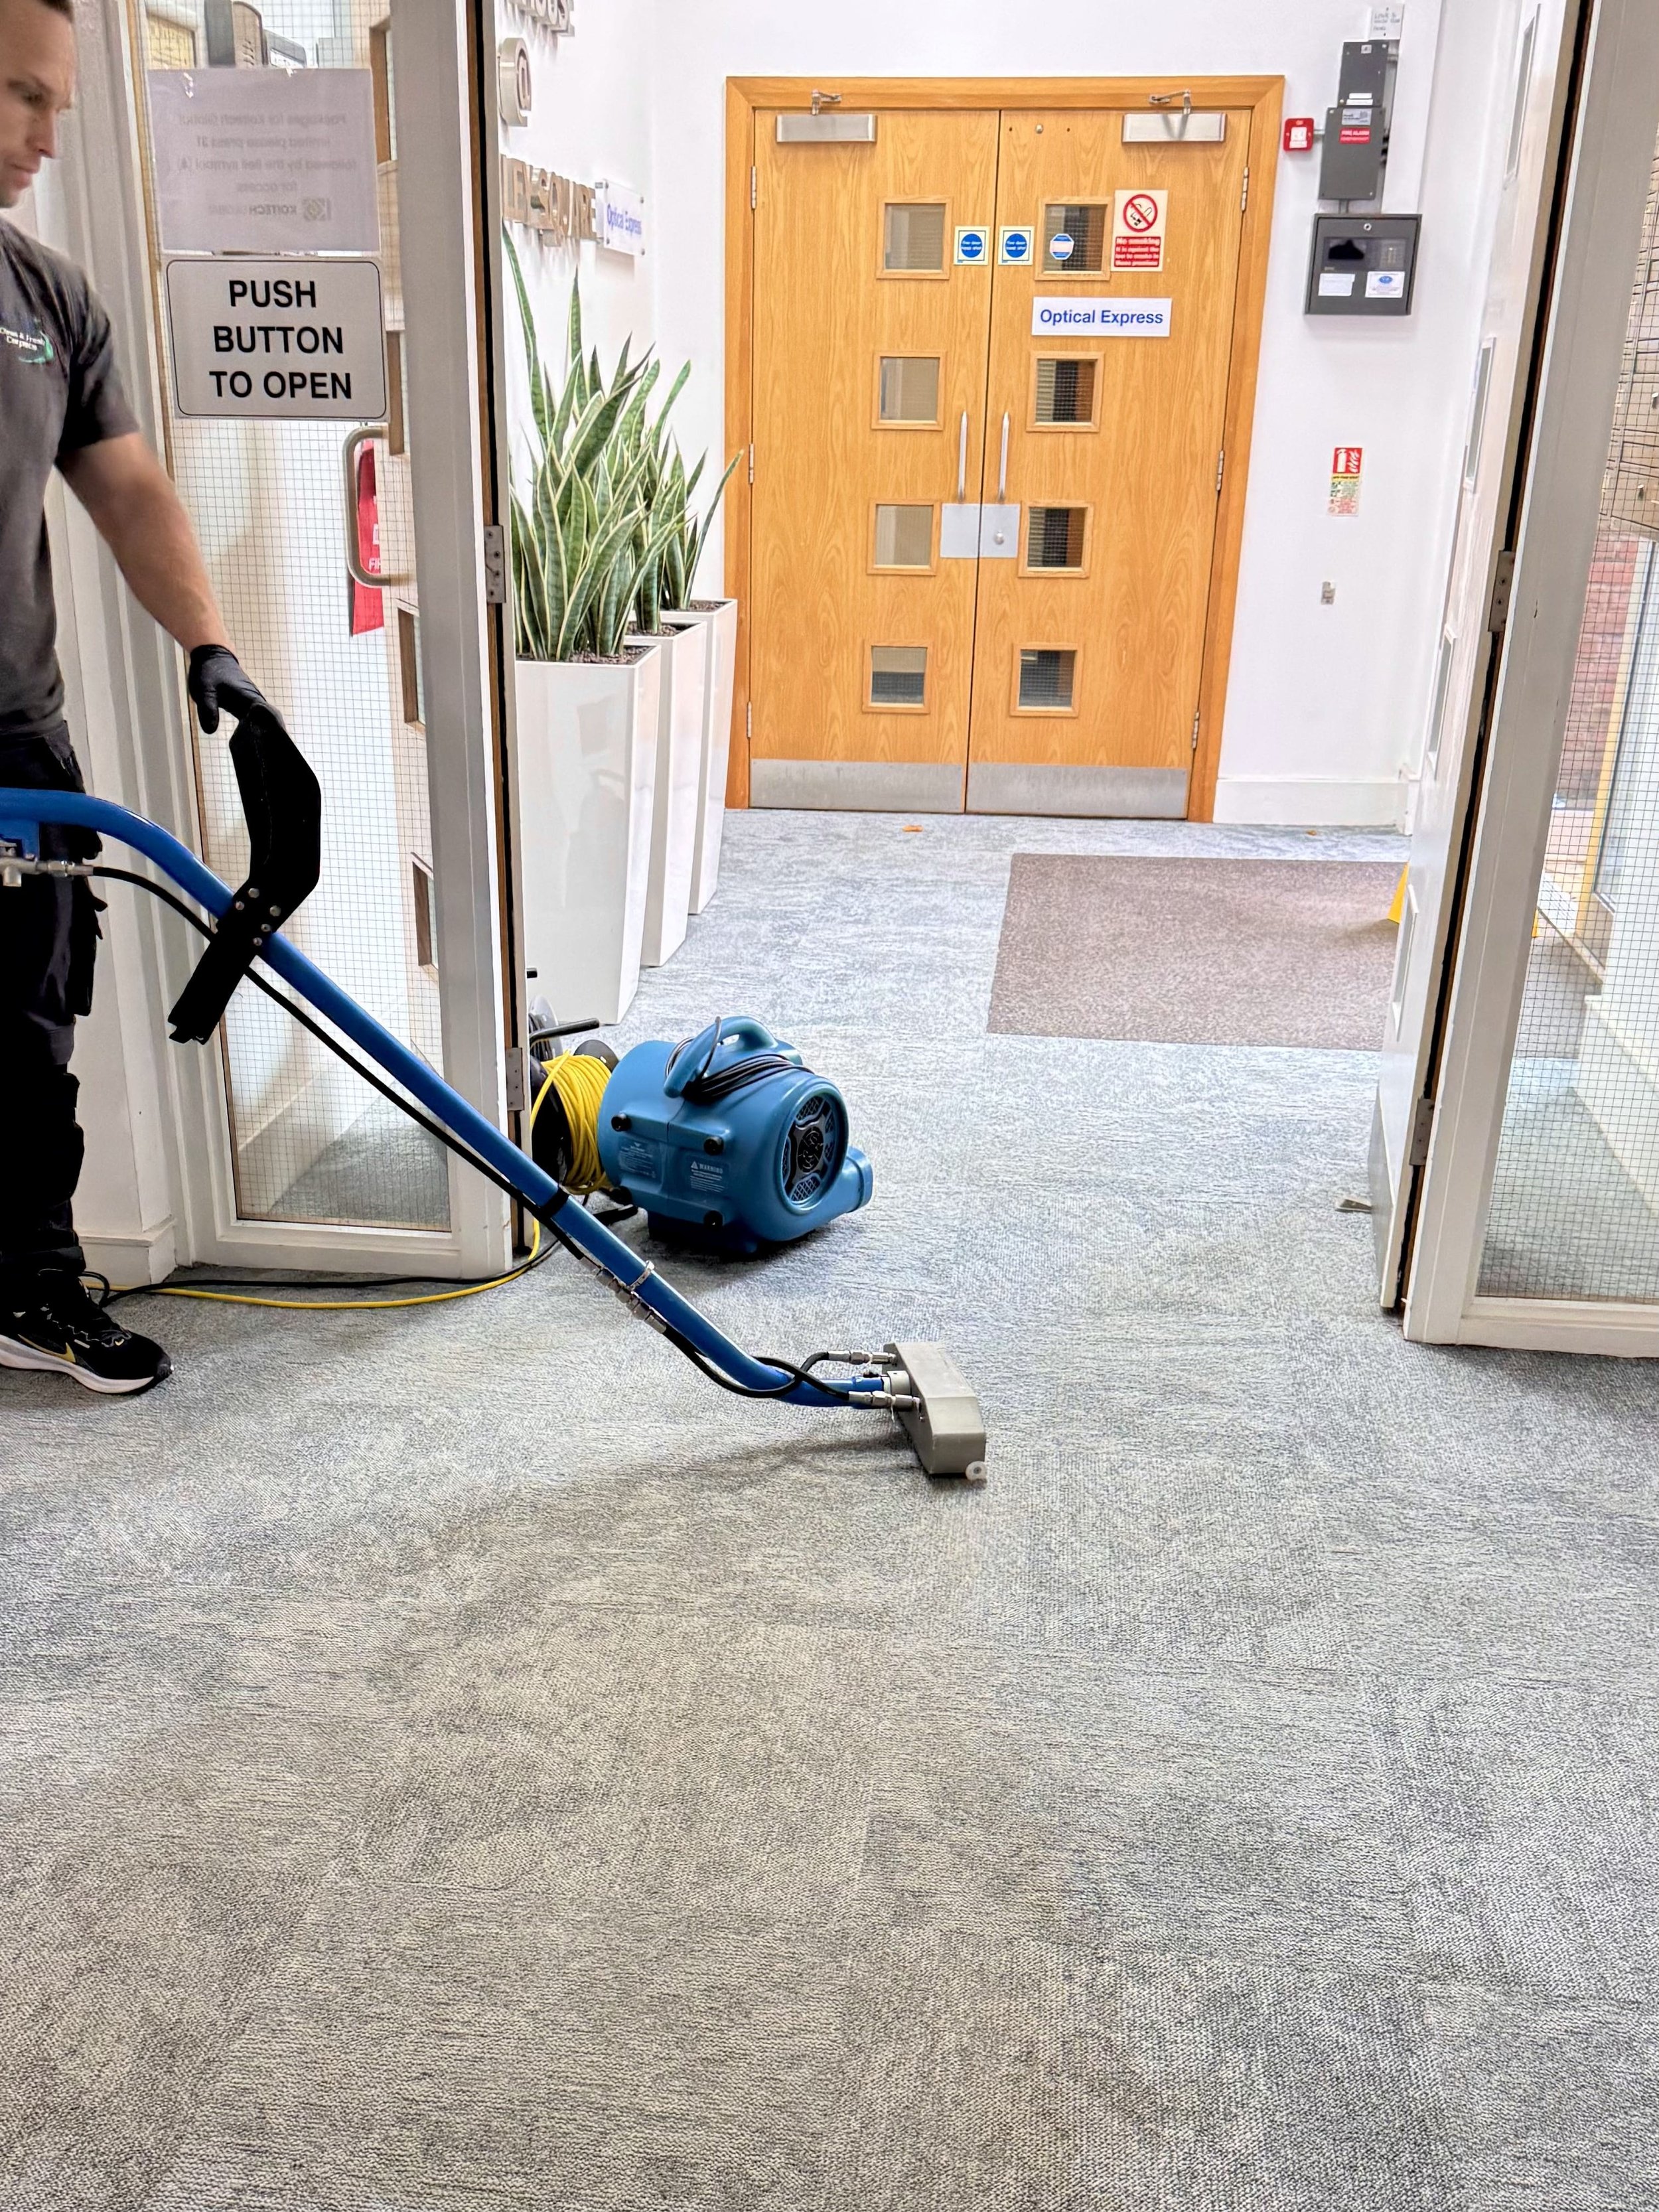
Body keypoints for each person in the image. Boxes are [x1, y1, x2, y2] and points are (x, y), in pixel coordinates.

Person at [1, 0, 285, 1394]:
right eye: (18, 97)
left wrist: (210, 647)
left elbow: (125, 488)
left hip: (16, 733)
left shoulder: (47, 298)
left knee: (26, 1017)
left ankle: (30, 1285)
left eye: (56, 104)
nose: (45, 137)